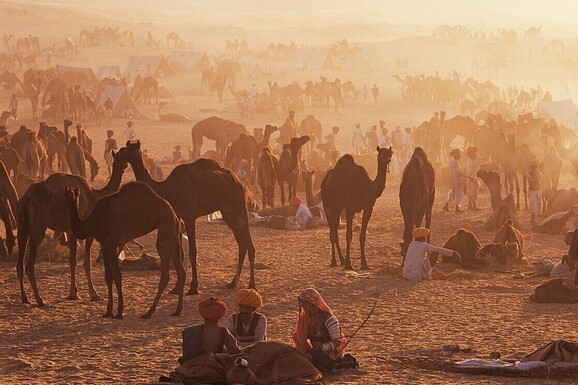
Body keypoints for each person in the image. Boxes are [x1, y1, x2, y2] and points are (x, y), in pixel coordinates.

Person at [292, 288, 347, 371]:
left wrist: (323, 347)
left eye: (304, 302)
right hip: (313, 351)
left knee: (311, 357)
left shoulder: (329, 319)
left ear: (312, 303)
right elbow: (301, 338)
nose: (302, 305)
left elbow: (337, 342)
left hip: (328, 355)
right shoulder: (306, 319)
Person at [180, 297, 241, 364]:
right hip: (213, 364)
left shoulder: (190, 330)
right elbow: (234, 352)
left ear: (203, 315)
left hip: (191, 363)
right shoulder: (222, 331)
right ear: (220, 315)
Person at [443, 148, 472, 213]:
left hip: (453, 180)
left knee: (453, 194)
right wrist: (468, 177)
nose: (460, 155)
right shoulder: (455, 162)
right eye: (459, 154)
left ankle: (446, 205)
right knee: (458, 193)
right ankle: (457, 208)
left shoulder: (452, 162)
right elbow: (459, 173)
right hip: (457, 180)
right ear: (457, 155)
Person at [527, 158, 543, 223]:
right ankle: (532, 219)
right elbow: (531, 182)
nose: (535, 167)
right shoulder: (528, 173)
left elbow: (541, 182)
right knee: (533, 205)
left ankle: (534, 220)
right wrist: (536, 178)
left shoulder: (540, 173)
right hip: (532, 191)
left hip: (538, 190)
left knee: (538, 205)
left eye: (536, 166)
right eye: (533, 166)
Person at [465, 146, 480, 211]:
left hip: (473, 177)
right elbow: (472, 167)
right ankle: (472, 205)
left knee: (473, 191)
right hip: (471, 177)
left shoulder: (472, 160)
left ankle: (471, 205)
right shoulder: (469, 160)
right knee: (472, 191)